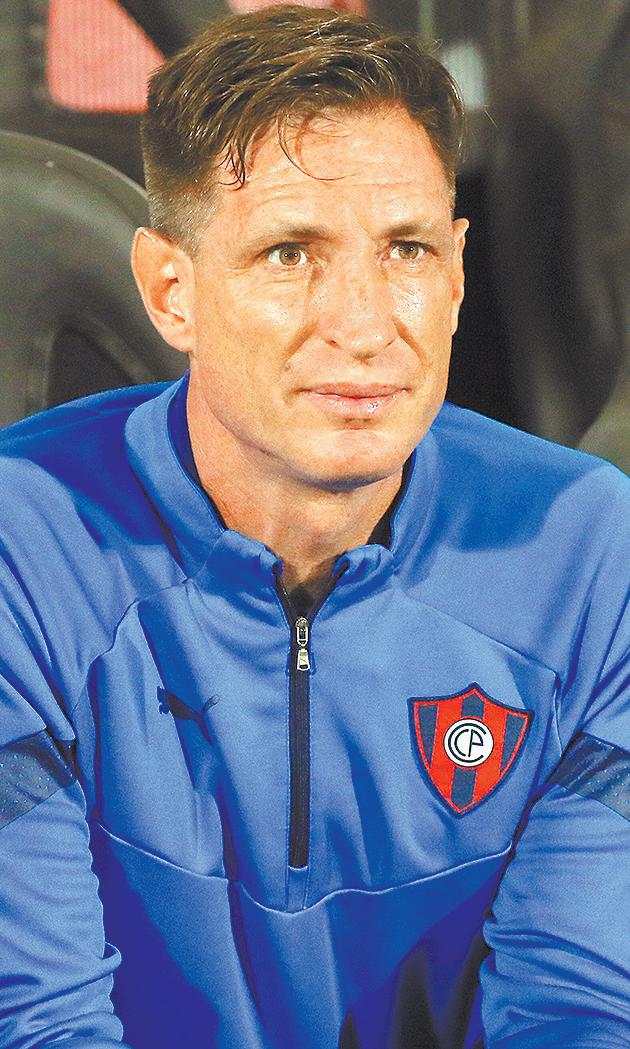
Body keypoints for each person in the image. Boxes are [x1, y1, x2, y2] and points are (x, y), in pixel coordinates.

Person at [0, 7, 628, 1048]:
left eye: (407, 249)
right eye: (290, 253)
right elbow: (34, 1019)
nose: (365, 324)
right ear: (170, 289)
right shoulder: (20, 542)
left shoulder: (587, 547)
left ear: (457, 273)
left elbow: (578, 1013)